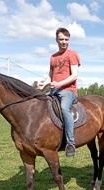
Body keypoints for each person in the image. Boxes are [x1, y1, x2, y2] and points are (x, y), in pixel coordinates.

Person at [37, 27, 80, 157]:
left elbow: (74, 76)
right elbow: (51, 75)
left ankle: (71, 142)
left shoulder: (72, 54)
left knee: (64, 108)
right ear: (56, 40)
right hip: (53, 90)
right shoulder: (53, 57)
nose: (64, 42)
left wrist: (59, 84)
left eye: (66, 39)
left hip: (68, 91)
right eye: (61, 39)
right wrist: (43, 84)